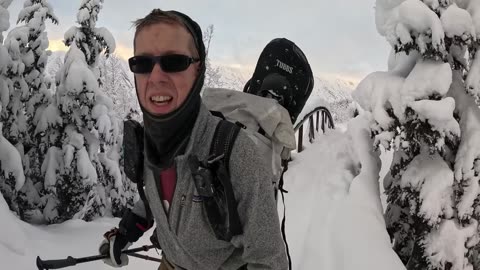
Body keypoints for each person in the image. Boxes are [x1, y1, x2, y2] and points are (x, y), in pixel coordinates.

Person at [98, 9, 288, 270]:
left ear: (198, 70)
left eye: (174, 62)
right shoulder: (149, 144)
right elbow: (159, 198)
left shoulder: (235, 153)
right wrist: (125, 233)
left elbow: (269, 261)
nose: (155, 77)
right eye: (142, 64)